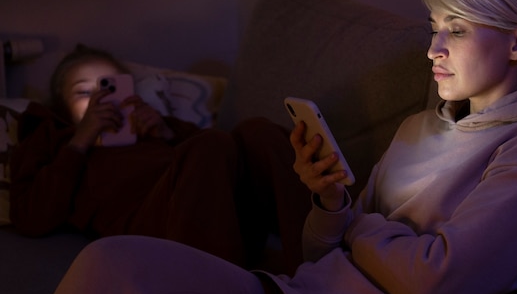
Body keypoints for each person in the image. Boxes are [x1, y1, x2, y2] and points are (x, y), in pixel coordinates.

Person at [16, 0, 517, 294]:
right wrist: (331, 202)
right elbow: (320, 254)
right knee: (112, 261)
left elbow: (437, 280)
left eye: (456, 29)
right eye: (434, 25)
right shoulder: (422, 125)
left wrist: (357, 225)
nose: (433, 48)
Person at [9, 45, 311, 271]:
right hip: (156, 228)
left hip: (226, 212)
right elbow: (30, 217)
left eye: (110, 88)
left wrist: (165, 130)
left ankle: (319, 263)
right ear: (62, 109)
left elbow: (224, 156)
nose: (102, 102)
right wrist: (81, 139)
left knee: (257, 131)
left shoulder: (155, 127)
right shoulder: (56, 140)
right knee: (211, 144)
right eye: (84, 93)